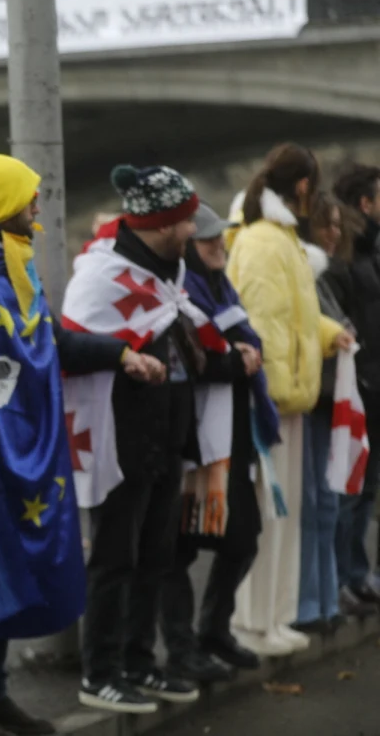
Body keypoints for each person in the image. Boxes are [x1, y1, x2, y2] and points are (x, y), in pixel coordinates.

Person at [0, 156, 161, 735]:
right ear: (0, 203)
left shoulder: (12, 263)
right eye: (29, 197)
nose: (38, 206)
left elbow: (48, 340)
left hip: (20, 443)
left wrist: (118, 353)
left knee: (6, 566)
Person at [67, 165, 214, 715]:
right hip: (119, 436)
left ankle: (139, 662)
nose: (193, 226)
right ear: (163, 223)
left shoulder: (165, 271)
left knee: (155, 556)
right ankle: (99, 673)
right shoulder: (104, 275)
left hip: (165, 433)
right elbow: (76, 342)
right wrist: (125, 357)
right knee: (113, 559)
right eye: (186, 217)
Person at [226, 143, 353, 657]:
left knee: (284, 516)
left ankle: (272, 618)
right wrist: (274, 391)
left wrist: (327, 335)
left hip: (287, 397)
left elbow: (294, 320)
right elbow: (261, 322)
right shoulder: (264, 241)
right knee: (265, 514)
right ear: (302, 187)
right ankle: (252, 622)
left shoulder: (280, 240)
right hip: (274, 399)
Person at [158, 203, 270, 680]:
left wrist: (247, 355)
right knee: (180, 548)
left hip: (229, 435)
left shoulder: (221, 286)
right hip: (194, 435)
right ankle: (183, 649)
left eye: (218, 238)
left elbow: (239, 340)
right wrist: (235, 361)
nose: (216, 246)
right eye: (206, 239)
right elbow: (190, 357)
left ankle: (213, 631)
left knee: (243, 538)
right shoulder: (182, 289)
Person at [297, 194, 354, 631]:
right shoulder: (310, 274)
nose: (333, 234)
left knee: (328, 501)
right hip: (313, 397)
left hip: (331, 396)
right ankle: (311, 603)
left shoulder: (327, 275)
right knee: (315, 501)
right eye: (324, 226)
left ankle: (325, 598)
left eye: (337, 225)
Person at [325, 164, 380, 611]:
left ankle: (357, 574)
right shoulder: (346, 258)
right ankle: (341, 578)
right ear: (366, 202)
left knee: (366, 485)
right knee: (350, 486)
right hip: (358, 382)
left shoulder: (367, 251)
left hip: (371, 380)